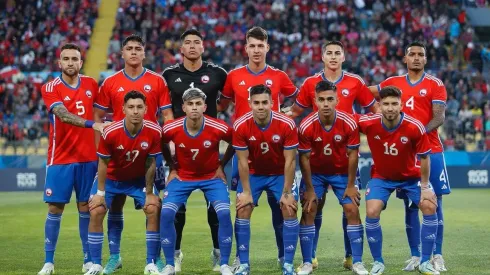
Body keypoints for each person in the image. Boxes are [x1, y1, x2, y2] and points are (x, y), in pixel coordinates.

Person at [287, 40, 378, 271]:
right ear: (322, 57)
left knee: (350, 208)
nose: (334, 57)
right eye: (330, 53)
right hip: (317, 162)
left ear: (344, 56)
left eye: (338, 53)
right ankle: (310, 258)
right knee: (312, 206)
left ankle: (352, 258)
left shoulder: (356, 82)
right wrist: (269, 114)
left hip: (344, 160)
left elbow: (374, 111)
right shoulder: (309, 84)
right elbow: (295, 112)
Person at [93, 34, 173, 273]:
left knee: (155, 205)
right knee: (113, 206)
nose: (134, 52)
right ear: (122, 53)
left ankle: (156, 259)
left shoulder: (157, 81)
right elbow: (98, 117)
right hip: (118, 153)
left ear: (144, 53)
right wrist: (103, 149)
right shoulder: (110, 82)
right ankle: (114, 257)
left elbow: (167, 117)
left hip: (150, 154)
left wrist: (169, 149)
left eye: (139, 48)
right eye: (129, 49)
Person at [219, 26, 298, 269]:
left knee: (281, 208)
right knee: (242, 203)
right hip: (244, 148)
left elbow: (297, 97)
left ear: (267, 47)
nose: (256, 50)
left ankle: (284, 257)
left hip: (274, 147)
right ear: (246, 48)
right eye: (252, 45)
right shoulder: (233, 76)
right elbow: (222, 105)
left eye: (260, 46)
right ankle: (239, 258)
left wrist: (288, 113)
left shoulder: (278, 76)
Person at [369, 41, 449, 272]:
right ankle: (416, 255)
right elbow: (365, 93)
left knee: (434, 201)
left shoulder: (435, 84)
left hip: (431, 149)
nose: (416, 58)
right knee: (410, 204)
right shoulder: (392, 83)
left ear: (425, 59)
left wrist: (416, 133)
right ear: (405, 58)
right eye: (411, 54)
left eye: (420, 55)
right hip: (403, 154)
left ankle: (438, 255)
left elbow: (439, 117)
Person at [38, 43, 108, 275]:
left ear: (80, 62)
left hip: (89, 158)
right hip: (60, 158)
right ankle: (49, 262)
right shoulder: (50, 87)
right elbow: (63, 114)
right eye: (66, 59)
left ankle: (88, 259)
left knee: (85, 208)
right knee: (55, 208)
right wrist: (92, 124)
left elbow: (102, 112)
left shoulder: (90, 84)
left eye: (74, 59)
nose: (70, 62)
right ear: (59, 63)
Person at [162, 29, 228, 272]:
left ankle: (219, 253)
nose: (192, 46)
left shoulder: (218, 73)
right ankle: (175, 254)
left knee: (216, 207)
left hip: (209, 144)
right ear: (181, 49)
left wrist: (214, 117)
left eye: (196, 42)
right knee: (177, 206)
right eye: (187, 43)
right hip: (179, 145)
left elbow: (227, 99)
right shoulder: (169, 75)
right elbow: (164, 106)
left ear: (203, 47)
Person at [358, 86, 439, 275]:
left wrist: (426, 187)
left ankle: (425, 261)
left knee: (429, 205)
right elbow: (345, 121)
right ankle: (378, 262)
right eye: (385, 104)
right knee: (371, 210)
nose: (390, 108)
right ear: (379, 106)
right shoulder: (368, 123)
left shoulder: (414, 126)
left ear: (401, 105)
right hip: (382, 177)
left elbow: (425, 157)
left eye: (394, 104)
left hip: (411, 177)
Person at [85, 91, 163, 275]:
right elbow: (103, 163)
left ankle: (151, 261)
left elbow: (151, 162)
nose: (135, 111)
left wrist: (150, 192)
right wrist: (100, 194)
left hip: (137, 180)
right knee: (96, 210)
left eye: (139, 107)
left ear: (146, 109)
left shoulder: (154, 130)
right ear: (123, 109)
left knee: (153, 207)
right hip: (111, 179)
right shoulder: (110, 131)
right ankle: (97, 264)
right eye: (131, 107)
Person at [159, 88, 234, 275]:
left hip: (211, 177)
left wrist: (222, 165)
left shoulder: (219, 127)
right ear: (183, 107)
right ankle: (170, 263)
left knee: (224, 214)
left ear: (205, 107)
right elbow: (161, 143)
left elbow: (236, 141)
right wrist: (172, 167)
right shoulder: (170, 128)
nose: (194, 108)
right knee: (166, 214)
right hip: (182, 177)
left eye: (198, 104)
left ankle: (224, 263)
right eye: (190, 104)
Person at [296, 81, 368, 275]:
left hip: (342, 173)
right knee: (309, 209)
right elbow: (304, 158)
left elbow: (353, 155)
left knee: (352, 208)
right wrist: (309, 188)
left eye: (330, 99)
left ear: (337, 100)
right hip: (316, 174)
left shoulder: (349, 122)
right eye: (321, 100)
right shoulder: (305, 125)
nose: (326, 103)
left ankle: (357, 261)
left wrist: (351, 185)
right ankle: (307, 262)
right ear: (315, 101)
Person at [232, 84, 299, 275]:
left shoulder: (286, 124)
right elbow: (242, 163)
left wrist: (286, 192)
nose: (261, 107)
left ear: (272, 103)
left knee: (289, 208)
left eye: (265, 102)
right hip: (253, 173)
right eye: (256, 103)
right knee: (242, 208)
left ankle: (288, 264)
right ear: (250, 104)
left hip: (279, 173)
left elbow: (290, 161)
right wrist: (245, 192)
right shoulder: (240, 125)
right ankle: (243, 264)